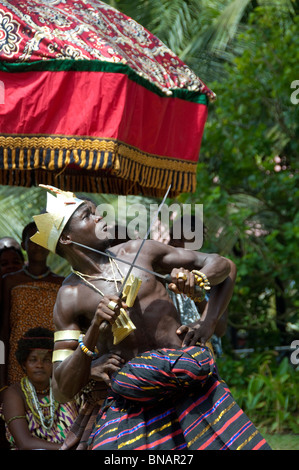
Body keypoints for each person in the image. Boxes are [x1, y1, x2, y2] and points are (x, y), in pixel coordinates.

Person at [31, 185, 271, 450]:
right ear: (66, 238)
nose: (100, 217)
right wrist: (94, 334)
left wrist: (206, 317)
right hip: (134, 405)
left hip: (191, 387)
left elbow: (223, 266)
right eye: (88, 215)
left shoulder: (139, 251)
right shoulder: (69, 296)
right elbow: (61, 388)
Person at [0, 222, 64, 387]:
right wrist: (1, 376)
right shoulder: (10, 281)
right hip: (17, 358)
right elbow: (4, 330)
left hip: (51, 356)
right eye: (33, 240)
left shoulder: (62, 283)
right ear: (23, 245)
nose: (38, 245)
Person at [0, 327, 79, 450]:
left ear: (54, 362)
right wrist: (64, 448)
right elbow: (24, 443)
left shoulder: (64, 387)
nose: (39, 365)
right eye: (33, 360)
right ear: (24, 364)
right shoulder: (14, 394)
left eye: (46, 360)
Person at [168, 215, 230, 357]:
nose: (175, 242)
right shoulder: (162, 269)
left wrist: (196, 292)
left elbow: (220, 328)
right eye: (173, 237)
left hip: (203, 352)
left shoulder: (213, 271)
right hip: (173, 352)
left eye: (182, 237)